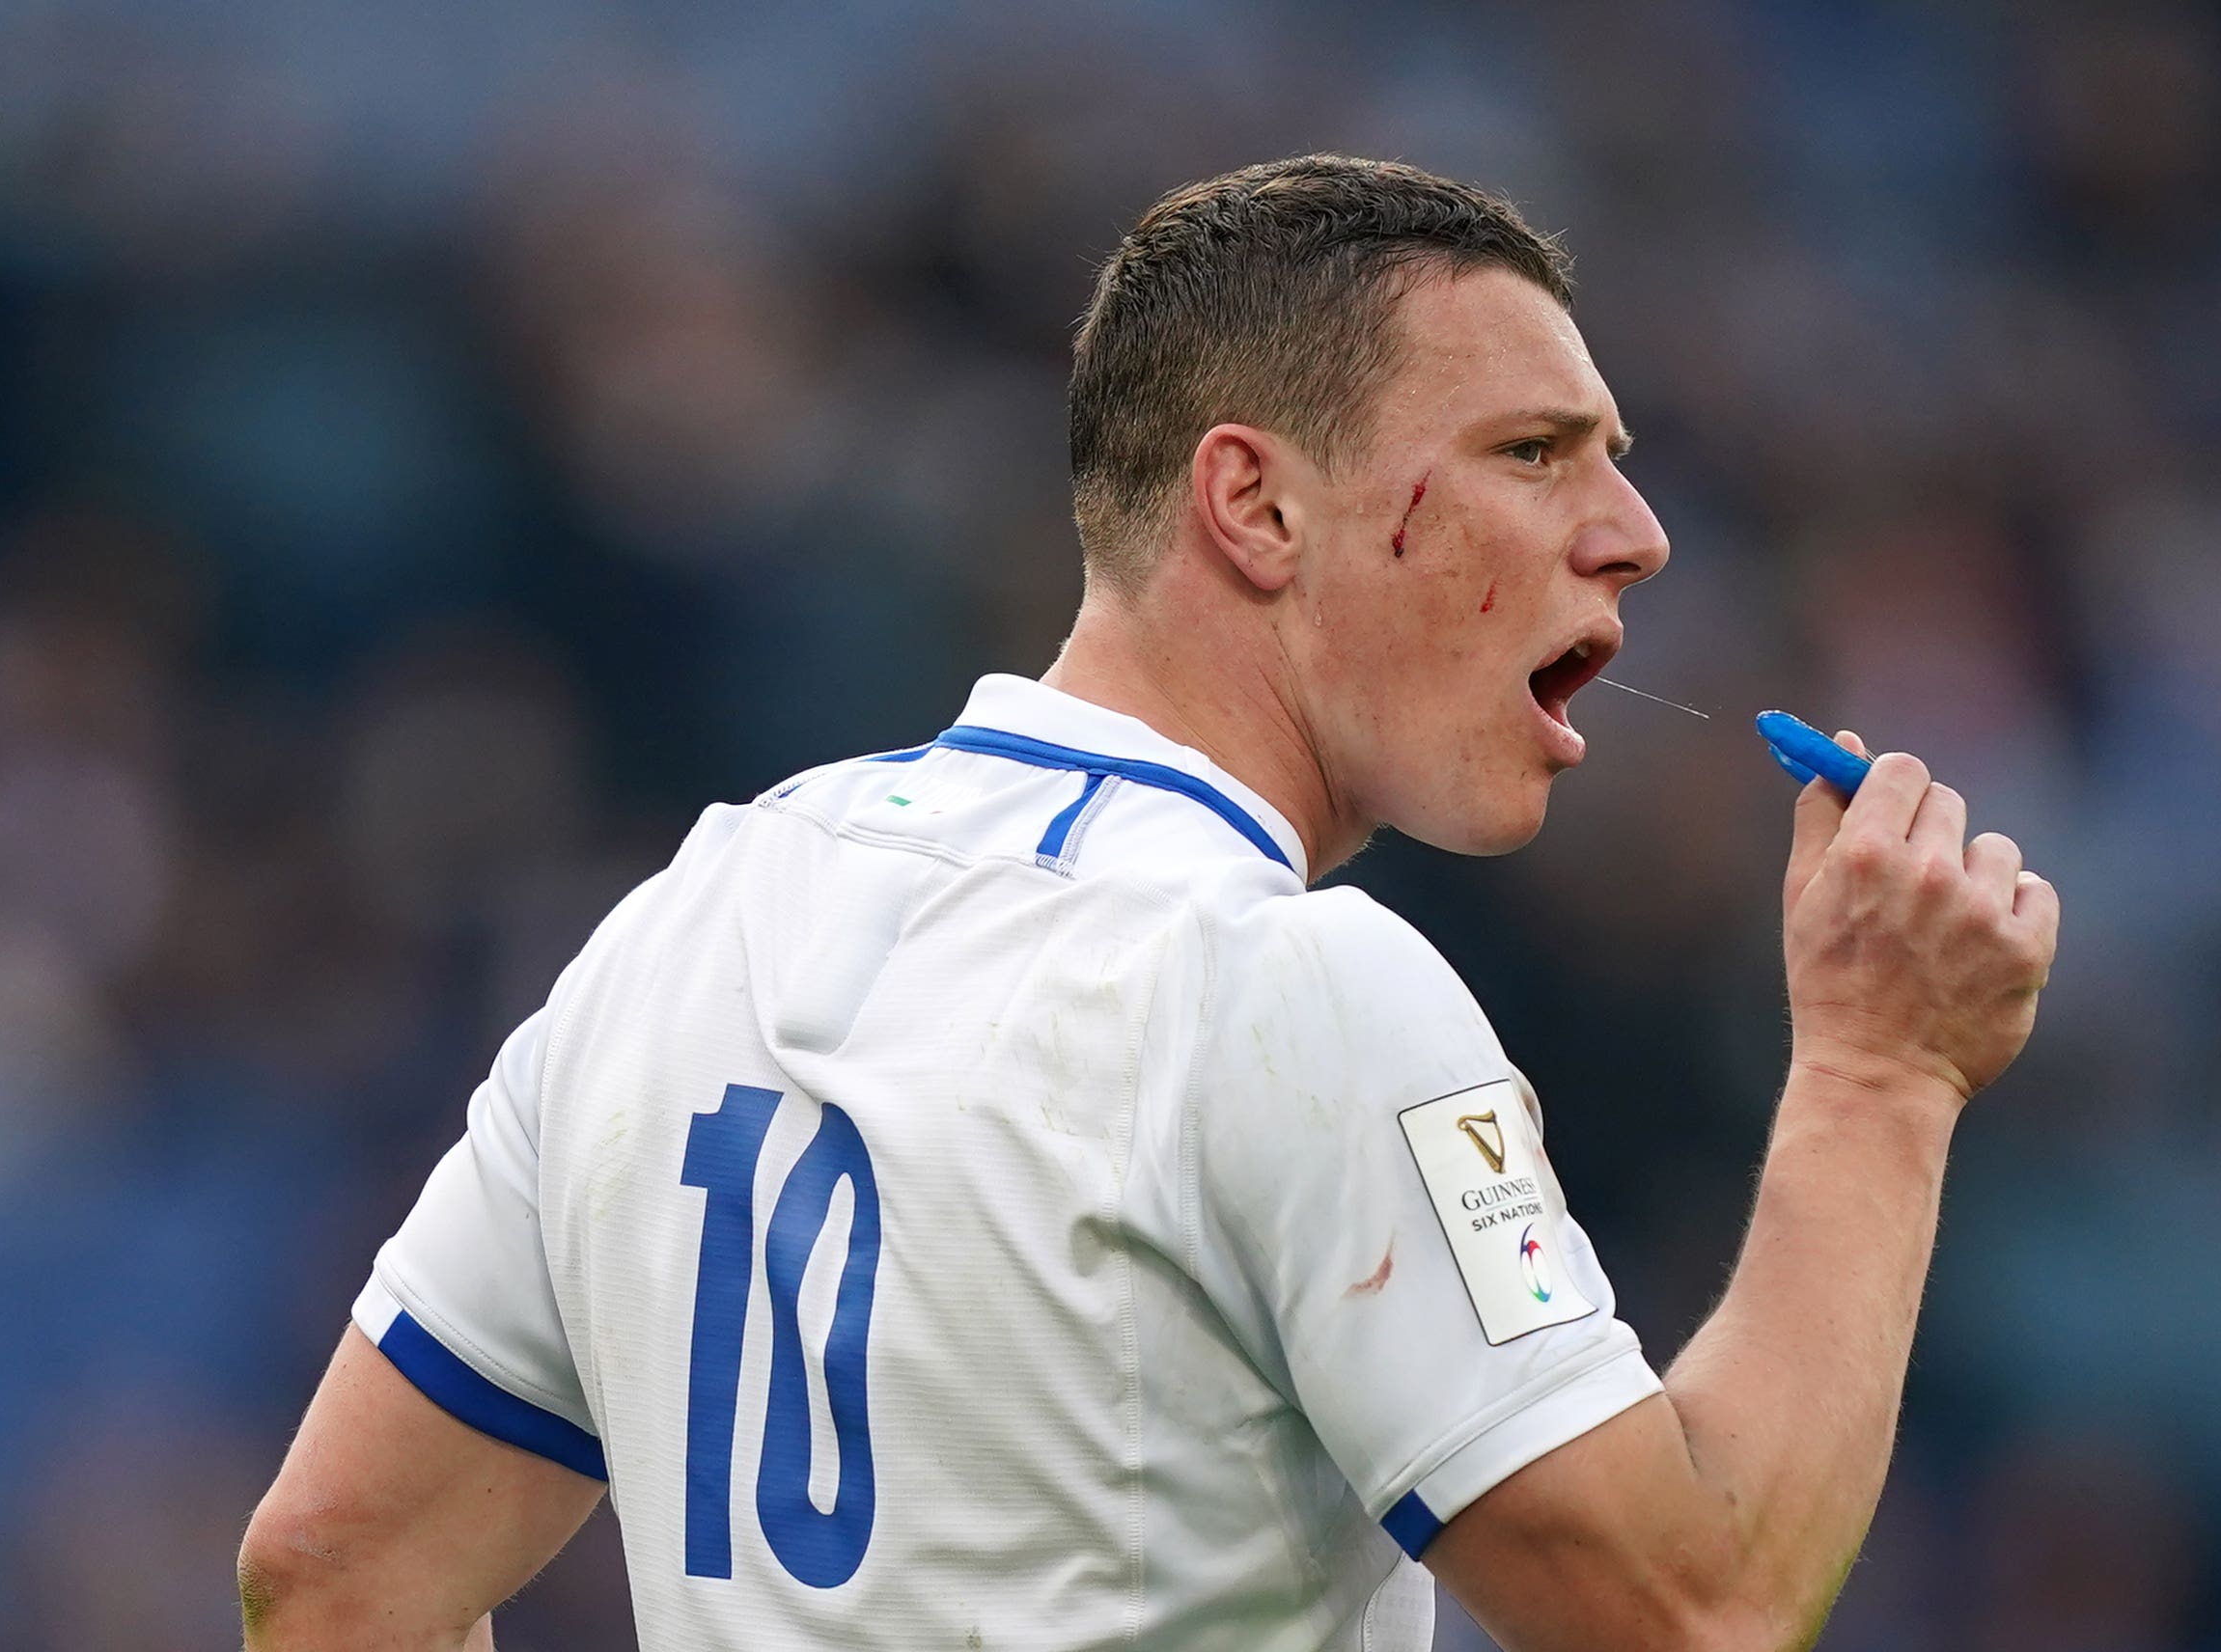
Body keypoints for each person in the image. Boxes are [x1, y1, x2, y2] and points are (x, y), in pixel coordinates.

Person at [236, 154, 2058, 1651]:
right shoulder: (1282, 984)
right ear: (1254, 510)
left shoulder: (687, 915)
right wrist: (1881, 1081)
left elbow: (332, 1576)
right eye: (1533, 452)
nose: (1635, 533)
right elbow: (1695, 1602)